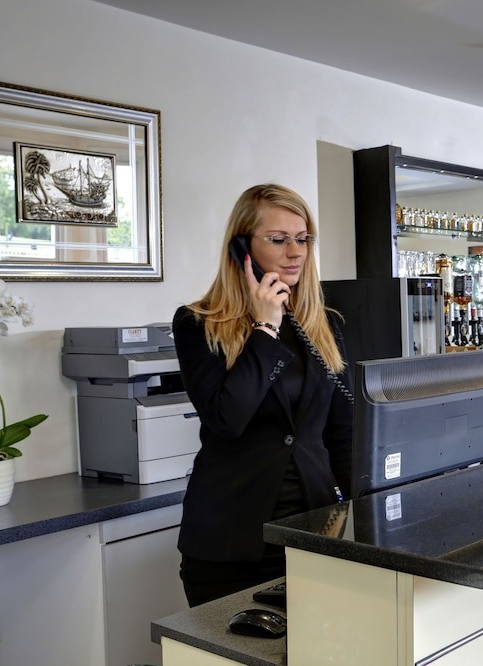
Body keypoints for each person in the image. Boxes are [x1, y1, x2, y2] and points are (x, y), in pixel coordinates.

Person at [172, 183, 353, 606]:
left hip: (314, 532)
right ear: (242, 247)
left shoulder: (323, 325)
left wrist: (368, 514)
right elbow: (226, 419)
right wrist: (265, 327)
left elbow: (342, 433)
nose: (295, 252)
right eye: (278, 239)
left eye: (302, 239)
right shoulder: (199, 323)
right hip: (230, 541)